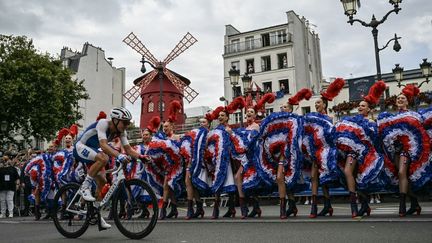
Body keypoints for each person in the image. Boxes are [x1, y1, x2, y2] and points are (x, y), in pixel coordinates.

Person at [75, 107, 142, 229]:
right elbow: (104, 145)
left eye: (128, 123)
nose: (126, 125)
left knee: (103, 181)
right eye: (125, 122)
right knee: (104, 157)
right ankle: (85, 187)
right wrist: (119, 156)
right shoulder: (103, 124)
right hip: (81, 147)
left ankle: (95, 213)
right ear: (115, 120)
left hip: (93, 152)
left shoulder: (121, 132)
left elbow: (128, 149)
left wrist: (141, 157)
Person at [334, 80, 386, 217]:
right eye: (359, 105)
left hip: (364, 154)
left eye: (363, 106)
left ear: (369, 109)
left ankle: (356, 206)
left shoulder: (371, 122)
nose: (360, 107)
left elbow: (373, 139)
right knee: (352, 176)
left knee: (350, 173)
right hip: (351, 152)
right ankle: (363, 205)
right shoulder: (353, 119)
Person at [377, 85, 430, 217]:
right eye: (398, 98)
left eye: (403, 98)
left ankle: (402, 206)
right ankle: (414, 203)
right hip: (396, 151)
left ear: (408, 101)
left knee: (402, 173)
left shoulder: (414, 115)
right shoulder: (390, 118)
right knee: (402, 177)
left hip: (410, 150)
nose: (400, 100)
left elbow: (421, 131)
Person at [305, 78, 345, 218]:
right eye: (315, 103)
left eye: (318, 103)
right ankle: (317, 206)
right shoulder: (312, 118)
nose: (316, 105)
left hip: (327, 151)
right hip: (315, 151)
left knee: (323, 179)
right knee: (316, 177)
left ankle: (326, 205)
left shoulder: (330, 118)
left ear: (324, 104)